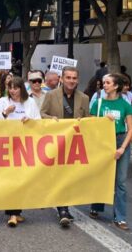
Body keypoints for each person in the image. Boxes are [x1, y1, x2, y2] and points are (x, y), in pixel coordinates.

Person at [40, 66, 90, 227]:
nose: (71, 81)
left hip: (74, 144)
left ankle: (64, 206)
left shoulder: (84, 98)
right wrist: (51, 118)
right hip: (55, 143)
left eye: (74, 78)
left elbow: (88, 120)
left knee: (69, 176)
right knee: (60, 175)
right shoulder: (51, 95)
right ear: (62, 79)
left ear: (78, 80)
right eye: (68, 77)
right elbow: (42, 113)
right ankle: (63, 209)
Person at [0, 76, 41, 227]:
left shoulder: (30, 102)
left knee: (21, 179)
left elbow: (39, 121)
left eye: (16, 88)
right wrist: (5, 113)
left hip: (25, 146)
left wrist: (30, 121)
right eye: (10, 88)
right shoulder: (2, 102)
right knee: (10, 179)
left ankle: (17, 212)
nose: (12, 91)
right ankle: (12, 213)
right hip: (6, 145)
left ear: (22, 88)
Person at [89, 74, 132, 230]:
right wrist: (102, 121)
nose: (105, 85)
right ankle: (96, 206)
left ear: (116, 86)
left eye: (108, 83)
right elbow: (91, 125)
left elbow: (130, 130)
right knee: (101, 175)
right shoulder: (98, 103)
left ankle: (120, 217)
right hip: (102, 142)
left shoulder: (125, 105)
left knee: (120, 181)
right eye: (104, 83)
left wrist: (122, 148)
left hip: (120, 140)